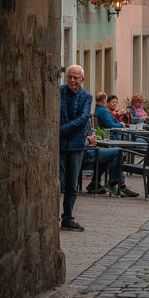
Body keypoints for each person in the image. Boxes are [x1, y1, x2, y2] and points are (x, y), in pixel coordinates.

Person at [58, 65, 92, 231]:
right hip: (59, 146)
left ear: (82, 80)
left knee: (72, 185)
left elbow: (83, 118)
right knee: (58, 182)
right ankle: (52, 216)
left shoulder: (86, 97)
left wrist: (60, 130)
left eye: (76, 78)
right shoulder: (58, 92)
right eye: (70, 77)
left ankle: (68, 218)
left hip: (76, 146)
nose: (72, 80)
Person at [91, 92, 139, 197]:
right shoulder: (102, 111)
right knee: (119, 153)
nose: (114, 104)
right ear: (105, 101)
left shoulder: (98, 110)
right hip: (109, 139)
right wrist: (120, 124)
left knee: (118, 153)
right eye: (112, 102)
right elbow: (110, 125)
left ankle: (95, 183)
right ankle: (116, 184)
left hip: (105, 141)